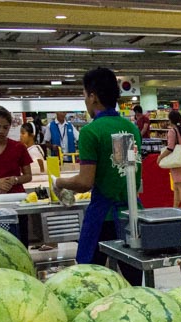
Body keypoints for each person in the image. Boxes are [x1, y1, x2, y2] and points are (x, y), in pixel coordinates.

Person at [54, 67, 143, 285]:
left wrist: (59, 182)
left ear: (93, 96)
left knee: (87, 280)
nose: (85, 101)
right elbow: (123, 171)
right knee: (133, 281)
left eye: (85, 95)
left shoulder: (91, 132)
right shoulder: (129, 128)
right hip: (132, 214)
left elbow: (85, 182)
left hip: (103, 217)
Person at [157, 109, 181, 209]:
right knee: (177, 186)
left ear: (170, 120)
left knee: (180, 187)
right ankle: (175, 208)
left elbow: (170, 148)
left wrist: (160, 157)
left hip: (176, 162)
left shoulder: (172, 131)